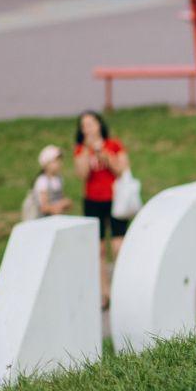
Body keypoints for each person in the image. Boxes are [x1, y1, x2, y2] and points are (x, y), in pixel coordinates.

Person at [72, 110, 129, 308]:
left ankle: (123, 289)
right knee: (99, 250)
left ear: (99, 124)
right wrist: (88, 152)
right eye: (84, 125)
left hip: (115, 199)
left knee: (118, 247)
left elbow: (122, 169)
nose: (88, 128)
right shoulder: (80, 150)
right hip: (93, 201)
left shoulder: (114, 145)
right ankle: (106, 293)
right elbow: (82, 174)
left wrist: (104, 154)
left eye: (91, 123)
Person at [24, 145, 73, 220]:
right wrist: (58, 206)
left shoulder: (58, 179)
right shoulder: (42, 181)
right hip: (42, 220)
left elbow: (61, 197)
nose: (59, 163)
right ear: (46, 164)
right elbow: (44, 207)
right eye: (56, 161)